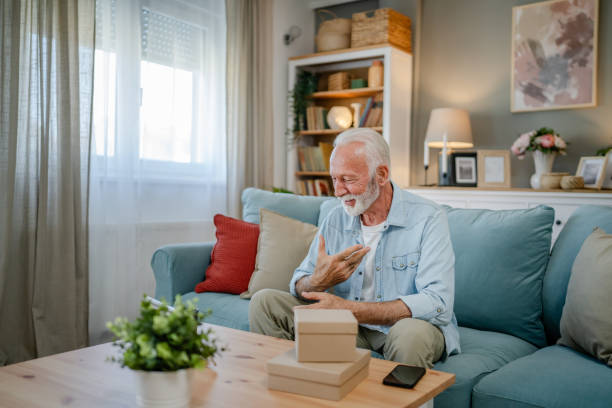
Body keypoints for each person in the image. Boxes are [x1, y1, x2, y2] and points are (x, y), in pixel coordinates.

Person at [249, 128, 460, 368]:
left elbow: (437, 302)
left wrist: (349, 309)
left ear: (381, 175)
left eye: (348, 180)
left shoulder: (428, 218)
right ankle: (292, 392)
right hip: (345, 326)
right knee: (265, 302)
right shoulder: (336, 216)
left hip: (400, 328)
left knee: (410, 336)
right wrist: (316, 281)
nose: (338, 191)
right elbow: (299, 283)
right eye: (334, 179)